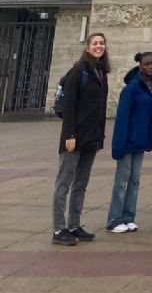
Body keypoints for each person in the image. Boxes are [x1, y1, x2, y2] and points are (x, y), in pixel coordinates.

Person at [52, 31, 110, 246]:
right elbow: (69, 106)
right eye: (95, 43)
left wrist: (99, 138)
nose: (98, 46)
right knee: (64, 183)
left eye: (102, 43)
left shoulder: (101, 72)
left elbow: (100, 109)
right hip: (73, 138)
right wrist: (69, 134)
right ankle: (59, 229)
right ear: (87, 47)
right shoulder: (78, 71)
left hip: (90, 138)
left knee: (81, 184)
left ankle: (74, 225)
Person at [106, 51, 152, 233]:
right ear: (139, 66)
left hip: (140, 141)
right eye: (147, 64)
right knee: (122, 181)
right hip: (127, 141)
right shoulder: (131, 89)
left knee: (134, 181)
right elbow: (122, 119)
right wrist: (118, 145)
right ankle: (114, 218)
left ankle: (128, 216)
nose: (150, 67)